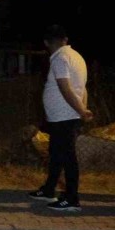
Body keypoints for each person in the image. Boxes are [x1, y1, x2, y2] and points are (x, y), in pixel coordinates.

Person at [29, 25, 93, 212]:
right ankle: (49, 189)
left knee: (67, 157)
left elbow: (65, 87)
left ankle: (72, 199)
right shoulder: (77, 57)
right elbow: (82, 87)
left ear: (46, 43)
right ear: (65, 39)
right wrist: (83, 108)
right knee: (56, 153)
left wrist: (81, 110)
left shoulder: (60, 58)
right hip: (66, 116)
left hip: (64, 116)